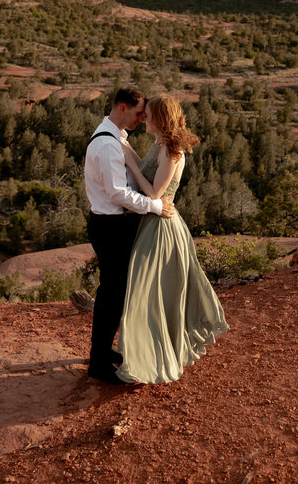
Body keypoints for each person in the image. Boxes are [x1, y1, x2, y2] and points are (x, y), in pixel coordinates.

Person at [115, 94, 228, 384]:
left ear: (161, 118)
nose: (144, 119)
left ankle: (150, 360)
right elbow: (148, 175)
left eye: (149, 115)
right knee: (150, 295)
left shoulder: (172, 149)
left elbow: (154, 193)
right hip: (152, 223)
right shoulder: (160, 145)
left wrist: (129, 160)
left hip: (160, 228)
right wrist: (132, 157)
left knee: (145, 295)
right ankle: (145, 355)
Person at [83, 86, 172, 385]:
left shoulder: (115, 138)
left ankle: (102, 353)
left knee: (114, 293)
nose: (139, 119)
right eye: (136, 113)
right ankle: (98, 364)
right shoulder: (109, 144)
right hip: (111, 226)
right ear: (122, 107)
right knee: (112, 295)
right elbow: (117, 193)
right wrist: (155, 206)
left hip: (112, 225)